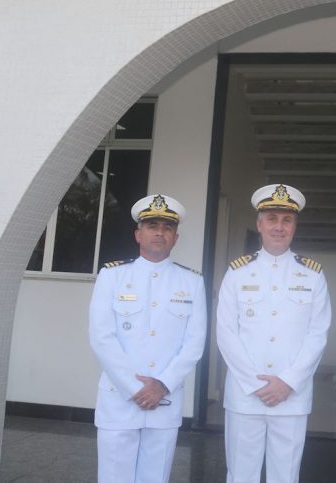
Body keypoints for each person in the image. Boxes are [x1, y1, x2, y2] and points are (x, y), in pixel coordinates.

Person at [216, 183, 332, 483]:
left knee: (286, 476)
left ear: (294, 225)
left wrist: (288, 383)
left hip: (291, 397)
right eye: (272, 219)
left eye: (286, 220)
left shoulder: (312, 274)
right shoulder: (237, 272)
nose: (279, 227)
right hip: (245, 395)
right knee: (241, 475)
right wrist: (255, 384)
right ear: (259, 224)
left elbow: (318, 334)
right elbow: (226, 332)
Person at [88, 194, 207, 483]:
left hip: (164, 400)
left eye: (167, 228)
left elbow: (195, 342)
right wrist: (135, 388)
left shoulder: (191, 281)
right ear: (138, 234)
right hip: (119, 398)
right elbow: (101, 336)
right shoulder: (112, 275)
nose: (159, 232)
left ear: (175, 238)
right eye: (152, 225)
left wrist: (162, 386)